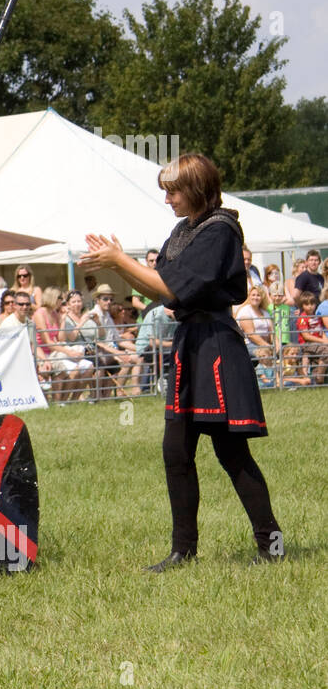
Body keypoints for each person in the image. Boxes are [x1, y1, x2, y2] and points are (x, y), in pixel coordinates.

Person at [81, 151, 283, 569]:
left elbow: (173, 290)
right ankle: (183, 551)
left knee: (231, 453)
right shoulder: (181, 231)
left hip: (216, 345)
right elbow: (163, 292)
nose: (168, 199)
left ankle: (272, 545)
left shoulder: (220, 230)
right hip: (191, 341)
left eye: (173, 191)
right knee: (176, 450)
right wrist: (119, 265)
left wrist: (119, 260)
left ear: (195, 189)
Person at [234, 283, 276, 376]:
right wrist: (268, 346)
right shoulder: (245, 311)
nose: (255, 297)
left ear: (262, 298)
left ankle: (281, 379)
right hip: (249, 344)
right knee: (265, 353)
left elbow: (272, 332)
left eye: (258, 295)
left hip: (265, 344)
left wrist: (277, 346)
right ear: (249, 296)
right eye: (253, 295)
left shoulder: (265, 313)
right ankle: (266, 380)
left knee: (285, 350)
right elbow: (251, 334)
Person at [293, 290, 328, 384]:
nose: (310, 306)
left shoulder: (316, 316)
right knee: (326, 351)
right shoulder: (303, 318)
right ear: (302, 305)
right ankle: (320, 378)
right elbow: (306, 336)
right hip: (307, 344)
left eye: (312, 304)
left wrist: (326, 341)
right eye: (307, 304)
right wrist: (322, 341)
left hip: (317, 344)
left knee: (325, 350)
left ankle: (316, 378)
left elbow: (321, 331)